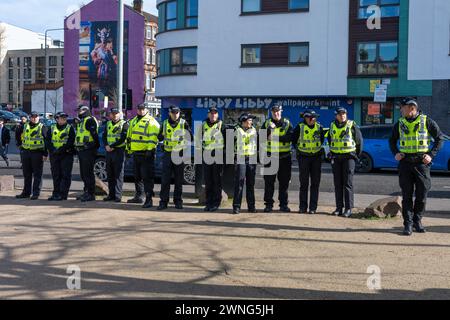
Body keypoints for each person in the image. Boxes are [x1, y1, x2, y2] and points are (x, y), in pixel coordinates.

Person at [389, 98, 444, 236]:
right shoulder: (400, 123)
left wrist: (431, 154)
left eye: (403, 107)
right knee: (406, 196)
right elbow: (391, 140)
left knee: (422, 195)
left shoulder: (427, 121)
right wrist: (396, 153)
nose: (401, 110)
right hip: (405, 163)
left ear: (412, 108)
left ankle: (417, 221)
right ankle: (407, 224)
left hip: (421, 164)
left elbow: (439, 138)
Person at [327, 107, 363, 218]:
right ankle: (339, 208)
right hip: (336, 158)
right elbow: (330, 139)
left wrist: (356, 155)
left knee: (347, 184)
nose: (342, 115)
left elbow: (359, 141)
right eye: (340, 114)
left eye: (344, 113)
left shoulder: (351, 125)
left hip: (349, 158)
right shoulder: (332, 125)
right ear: (336, 115)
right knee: (338, 184)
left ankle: (348, 208)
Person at [157, 105, 192, 211]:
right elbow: (159, 137)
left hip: (179, 154)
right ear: (169, 113)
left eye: (177, 113)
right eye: (173, 113)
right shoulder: (164, 124)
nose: (175, 115)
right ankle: (163, 202)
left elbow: (190, 137)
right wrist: (162, 142)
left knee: (178, 179)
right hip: (167, 154)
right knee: (165, 180)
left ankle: (178, 201)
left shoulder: (183, 123)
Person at [125, 103, 160, 208]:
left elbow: (153, 137)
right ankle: (139, 196)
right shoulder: (134, 120)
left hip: (146, 154)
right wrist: (127, 149)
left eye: (143, 109)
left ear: (146, 110)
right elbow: (129, 136)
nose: (141, 111)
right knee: (137, 177)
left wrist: (150, 150)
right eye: (139, 109)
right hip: (136, 153)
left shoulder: (151, 121)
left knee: (147, 178)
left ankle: (149, 199)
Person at [261, 105, 293, 213]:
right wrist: (269, 131)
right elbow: (261, 138)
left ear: (281, 111)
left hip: (284, 157)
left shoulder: (287, 123)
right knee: (269, 183)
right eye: (274, 112)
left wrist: (274, 137)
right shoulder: (266, 123)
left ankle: (283, 205)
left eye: (278, 111)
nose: (276, 113)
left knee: (284, 183)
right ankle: (268, 205)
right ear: (271, 112)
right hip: (270, 156)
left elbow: (290, 138)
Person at [292, 110, 325, 214]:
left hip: (316, 158)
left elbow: (322, 140)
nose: (312, 119)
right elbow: (294, 140)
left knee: (315, 183)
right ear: (305, 118)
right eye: (309, 117)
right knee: (304, 183)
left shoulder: (319, 127)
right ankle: (302, 207)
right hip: (303, 157)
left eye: (314, 117)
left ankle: (313, 208)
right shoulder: (299, 127)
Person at [15, 111, 48, 200]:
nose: (34, 118)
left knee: (37, 174)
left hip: (37, 153)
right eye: (32, 117)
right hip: (26, 152)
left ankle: (36, 193)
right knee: (27, 174)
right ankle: (26, 192)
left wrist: (45, 154)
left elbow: (46, 141)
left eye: (36, 117)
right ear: (30, 117)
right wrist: (19, 144)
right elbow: (17, 133)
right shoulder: (25, 126)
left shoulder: (42, 127)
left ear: (38, 117)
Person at [45, 112, 75, 201]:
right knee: (56, 175)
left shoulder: (70, 128)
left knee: (65, 175)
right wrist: (53, 149)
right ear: (57, 119)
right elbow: (47, 141)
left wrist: (61, 149)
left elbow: (71, 141)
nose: (64, 119)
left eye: (65, 118)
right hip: (54, 155)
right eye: (61, 118)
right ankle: (56, 194)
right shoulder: (52, 127)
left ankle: (63, 195)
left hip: (66, 154)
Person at [232, 113, 258, 215]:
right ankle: (236, 207)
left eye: (251, 120)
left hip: (251, 158)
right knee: (239, 184)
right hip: (240, 158)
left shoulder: (255, 130)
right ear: (243, 121)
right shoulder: (236, 130)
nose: (251, 121)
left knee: (250, 184)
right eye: (249, 120)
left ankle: (251, 206)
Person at [201, 106, 225, 212]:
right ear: (208, 114)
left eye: (215, 113)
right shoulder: (203, 125)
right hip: (207, 156)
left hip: (218, 156)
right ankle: (208, 202)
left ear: (218, 115)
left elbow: (228, 141)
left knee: (217, 181)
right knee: (208, 181)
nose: (213, 115)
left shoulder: (221, 125)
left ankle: (216, 203)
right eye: (211, 113)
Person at [103, 108, 129, 203]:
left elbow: (123, 138)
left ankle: (118, 196)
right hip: (109, 151)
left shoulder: (124, 124)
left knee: (118, 174)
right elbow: (104, 136)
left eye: (116, 114)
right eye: (112, 114)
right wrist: (106, 145)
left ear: (120, 114)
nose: (114, 115)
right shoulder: (108, 124)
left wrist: (112, 146)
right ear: (110, 115)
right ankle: (111, 195)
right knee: (110, 174)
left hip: (119, 151)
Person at [74, 105, 100, 202]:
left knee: (88, 173)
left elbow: (95, 136)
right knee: (83, 174)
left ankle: (91, 194)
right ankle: (86, 192)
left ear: (84, 110)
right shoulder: (82, 120)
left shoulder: (89, 120)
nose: (78, 112)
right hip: (82, 150)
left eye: (79, 110)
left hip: (88, 150)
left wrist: (93, 147)